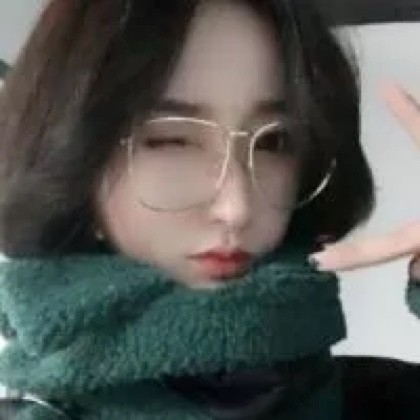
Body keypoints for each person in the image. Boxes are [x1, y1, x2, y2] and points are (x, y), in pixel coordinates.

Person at [0, 0, 418, 419]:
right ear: (73, 160)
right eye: (171, 139)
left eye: (274, 141)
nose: (236, 208)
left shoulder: (380, 400)